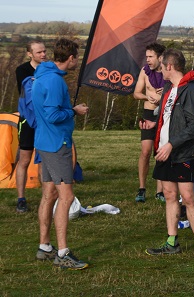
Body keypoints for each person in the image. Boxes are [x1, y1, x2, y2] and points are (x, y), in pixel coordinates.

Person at [144, 48, 194, 259]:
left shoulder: (191, 90)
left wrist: (172, 144)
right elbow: (169, 118)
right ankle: (172, 242)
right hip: (165, 150)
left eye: (162, 66)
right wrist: (153, 124)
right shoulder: (167, 88)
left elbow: (193, 125)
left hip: (181, 152)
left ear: (170, 66)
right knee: (170, 195)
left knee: (188, 197)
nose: (160, 69)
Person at [31, 38, 89, 269]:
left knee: (49, 195)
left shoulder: (43, 73)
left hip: (44, 143)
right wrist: (74, 111)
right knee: (66, 197)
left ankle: (45, 246)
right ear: (71, 58)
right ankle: (63, 253)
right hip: (57, 144)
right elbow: (53, 115)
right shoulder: (55, 82)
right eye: (77, 57)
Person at [14, 39, 47, 213]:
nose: (43, 55)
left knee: (43, 160)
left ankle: (47, 198)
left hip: (44, 122)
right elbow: (30, 90)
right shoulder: (22, 70)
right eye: (39, 52)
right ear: (30, 54)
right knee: (24, 160)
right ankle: (21, 198)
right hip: (28, 120)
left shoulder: (48, 68)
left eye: (44, 51)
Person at [133, 42, 166, 203]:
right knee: (145, 151)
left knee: (161, 152)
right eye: (146, 57)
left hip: (163, 116)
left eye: (151, 57)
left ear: (160, 57)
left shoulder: (169, 72)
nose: (148, 60)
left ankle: (160, 191)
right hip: (148, 114)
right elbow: (136, 93)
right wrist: (148, 97)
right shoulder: (144, 71)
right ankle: (142, 189)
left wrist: (164, 93)